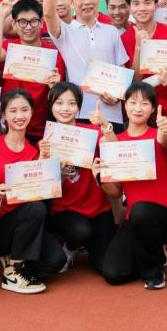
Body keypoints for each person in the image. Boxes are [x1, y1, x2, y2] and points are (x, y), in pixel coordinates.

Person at [98, 83, 167, 289]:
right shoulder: (116, 142)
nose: (138, 108)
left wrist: (165, 131)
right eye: (133, 102)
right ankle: (153, 251)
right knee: (112, 273)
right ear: (125, 105)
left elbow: (166, 141)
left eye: (145, 103)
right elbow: (116, 191)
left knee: (141, 210)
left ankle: (154, 272)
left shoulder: (158, 135)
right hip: (136, 219)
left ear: (153, 109)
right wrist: (99, 176)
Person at [0, 90, 68, 293]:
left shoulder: (36, 151)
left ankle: (14, 257)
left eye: (24, 110)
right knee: (35, 208)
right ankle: (14, 271)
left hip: (27, 227)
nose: (19, 116)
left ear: (32, 113)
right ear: (4, 115)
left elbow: (44, 192)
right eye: (13, 111)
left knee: (56, 261)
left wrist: (47, 163)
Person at [43, 0, 130, 127]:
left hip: (111, 114)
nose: (87, 2)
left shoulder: (112, 31)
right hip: (78, 114)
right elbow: (48, 13)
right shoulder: (65, 31)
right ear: (71, 2)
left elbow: (122, 71)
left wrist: (118, 95)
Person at [41, 82, 118, 272]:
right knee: (81, 231)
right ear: (51, 105)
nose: (65, 109)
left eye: (72, 103)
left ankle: (88, 247)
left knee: (105, 267)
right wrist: (60, 174)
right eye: (59, 103)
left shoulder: (92, 132)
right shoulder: (46, 141)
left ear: (79, 107)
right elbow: (44, 190)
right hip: (65, 211)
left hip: (98, 210)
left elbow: (114, 149)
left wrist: (105, 125)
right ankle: (68, 245)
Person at [0, 0, 66, 141]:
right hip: (10, 125)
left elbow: (59, 93)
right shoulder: (10, 47)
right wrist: (1, 16)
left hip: (41, 128)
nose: (28, 27)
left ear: (42, 23)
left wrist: (55, 85)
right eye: (22, 22)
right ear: (14, 24)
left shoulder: (54, 54)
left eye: (34, 21)